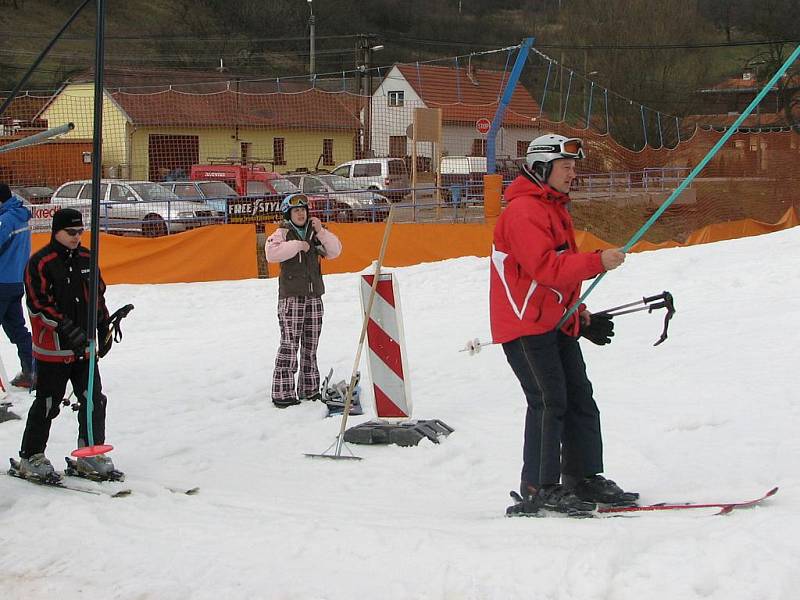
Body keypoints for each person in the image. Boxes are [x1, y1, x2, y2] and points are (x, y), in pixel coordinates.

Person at [490, 134, 637, 515]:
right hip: (524, 326)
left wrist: (577, 311)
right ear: (542, 168)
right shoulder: (523, 211)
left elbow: (555, 277)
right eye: (566, 167)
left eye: (574, 166)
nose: (573, 173)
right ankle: (539, 487)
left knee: (579, 398)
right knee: (548, 400)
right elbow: (546, 267)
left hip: (553, 321)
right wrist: (597, 261)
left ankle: (583, 476)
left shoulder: (554, 208)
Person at [16, 208, 116, 482]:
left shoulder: (86, 258)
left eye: (80, 232)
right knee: (48, 402)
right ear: (56, 231)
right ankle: (31, 455)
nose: (76, 237)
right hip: (54, 349)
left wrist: (103, 323)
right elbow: (38, 304)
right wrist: (65, 327)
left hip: (85, 346)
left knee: (93, 399)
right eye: (70, 232)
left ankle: (89, 452)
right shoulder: (41, 262)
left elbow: (97, 293)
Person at [266, 194, 342, 408]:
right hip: (292, 297)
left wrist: (320, 231)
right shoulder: (281, 234)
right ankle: (283, 392)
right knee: (290, 344)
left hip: (314, 296)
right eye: (296, 210)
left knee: (311, 344)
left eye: (303, 210)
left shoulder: (314, 232)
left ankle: (309, 389)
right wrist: (299, 245)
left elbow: (335, 251)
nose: (300, 213)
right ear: (287, 214)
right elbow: (272, 254)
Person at [0, 183, 34, 388]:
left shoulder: (5, 220)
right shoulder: (20, 216)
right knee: (18, 329)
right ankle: (31, 371)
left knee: (17, 329)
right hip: (15, 282)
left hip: (1, 282)